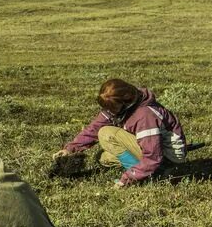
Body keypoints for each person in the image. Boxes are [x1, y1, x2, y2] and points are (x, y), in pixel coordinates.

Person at [53, 78, 187, 187]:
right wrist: (70, 149)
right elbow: (94, 128)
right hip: (155, 153)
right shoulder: (120, 106)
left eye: (112, 108)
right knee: (104, 158)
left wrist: (127, 179)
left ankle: (147, 176)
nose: (109, 112)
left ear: (126, 101)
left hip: (167, 160)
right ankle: (143, 171)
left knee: (106, 134)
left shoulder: (144, 115)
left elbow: (153, 156)